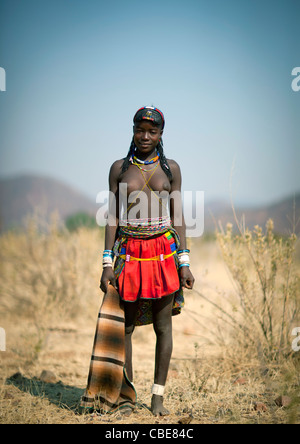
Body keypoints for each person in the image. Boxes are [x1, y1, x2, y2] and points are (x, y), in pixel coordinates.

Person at [100, 106, 195, 416]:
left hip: (163, 252)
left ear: (160, 134)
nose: (145, 136)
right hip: (128, 252)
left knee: (163, 327)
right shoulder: (119, 169)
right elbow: (113, 217)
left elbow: (178, 216)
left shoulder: (171, 170)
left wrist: (184, 261)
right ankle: (126, 397)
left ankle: (157, 397)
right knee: (125, 327)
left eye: (152, 131)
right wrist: (105, 263)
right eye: (140, 130)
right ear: (133, 131)